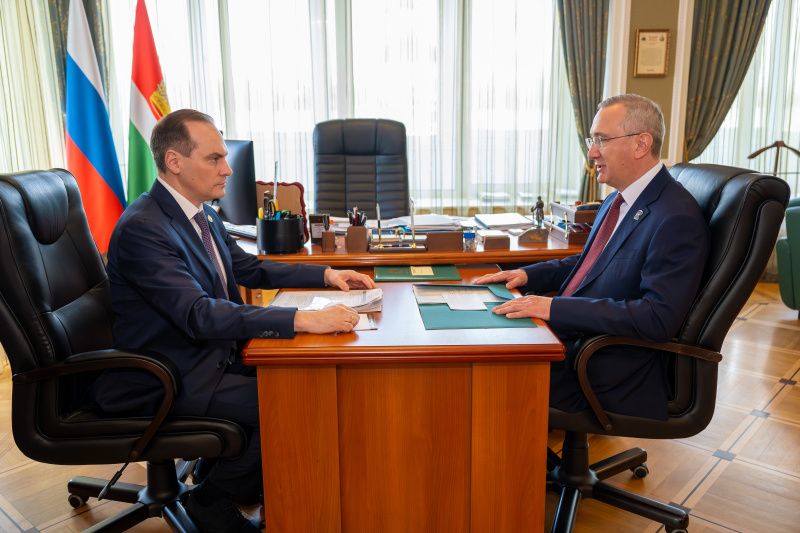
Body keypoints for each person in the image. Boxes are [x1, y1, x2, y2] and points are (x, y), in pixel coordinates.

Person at [91, 108, 375, 533]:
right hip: (170, 375)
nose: (227, 169)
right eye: (214, 158)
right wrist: (303, 319)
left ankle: (229, 474)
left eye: (224, 157)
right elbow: (199, 314)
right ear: (174, 161)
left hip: (210, 358)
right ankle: (211, 499)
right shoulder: (145, 228)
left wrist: (326, 275)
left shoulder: (201, 213)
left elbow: (249, 269)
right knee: (296, 401)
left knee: (306, 379)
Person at [475, 94, 709, 420]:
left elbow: (657, 317)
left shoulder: (675, 217)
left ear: (641, 144)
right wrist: (528, 275)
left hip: (603, 369)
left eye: (602, 140)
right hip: (573, 342)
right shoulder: (617, 201)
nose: (592, 152)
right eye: (592, 140)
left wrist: (552, 307)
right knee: (481, 343)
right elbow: (592, 262)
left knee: (477, 375)